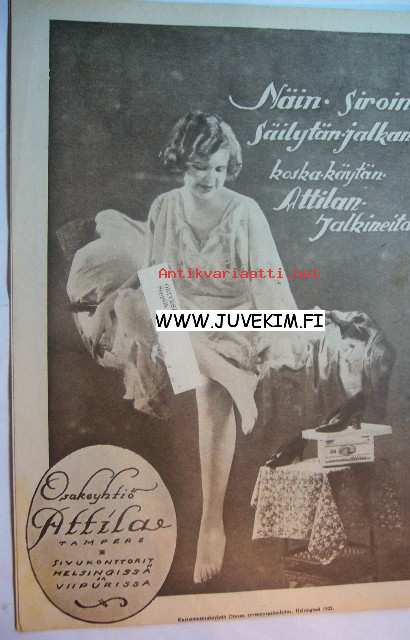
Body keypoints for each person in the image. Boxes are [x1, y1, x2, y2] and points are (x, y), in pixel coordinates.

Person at [90, 111, 299, 584]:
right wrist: (108, 302)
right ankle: (232, 379)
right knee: (133, 303)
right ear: (182, 161)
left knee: (207, 387)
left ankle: (211, 524)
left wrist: (275, 337)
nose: (211, 178)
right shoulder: (164, 206)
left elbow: (269, 286)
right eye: (201, 167)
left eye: (220, 169)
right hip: (180, 318)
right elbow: (152, 277)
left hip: (232, 320)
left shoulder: (245, 211)